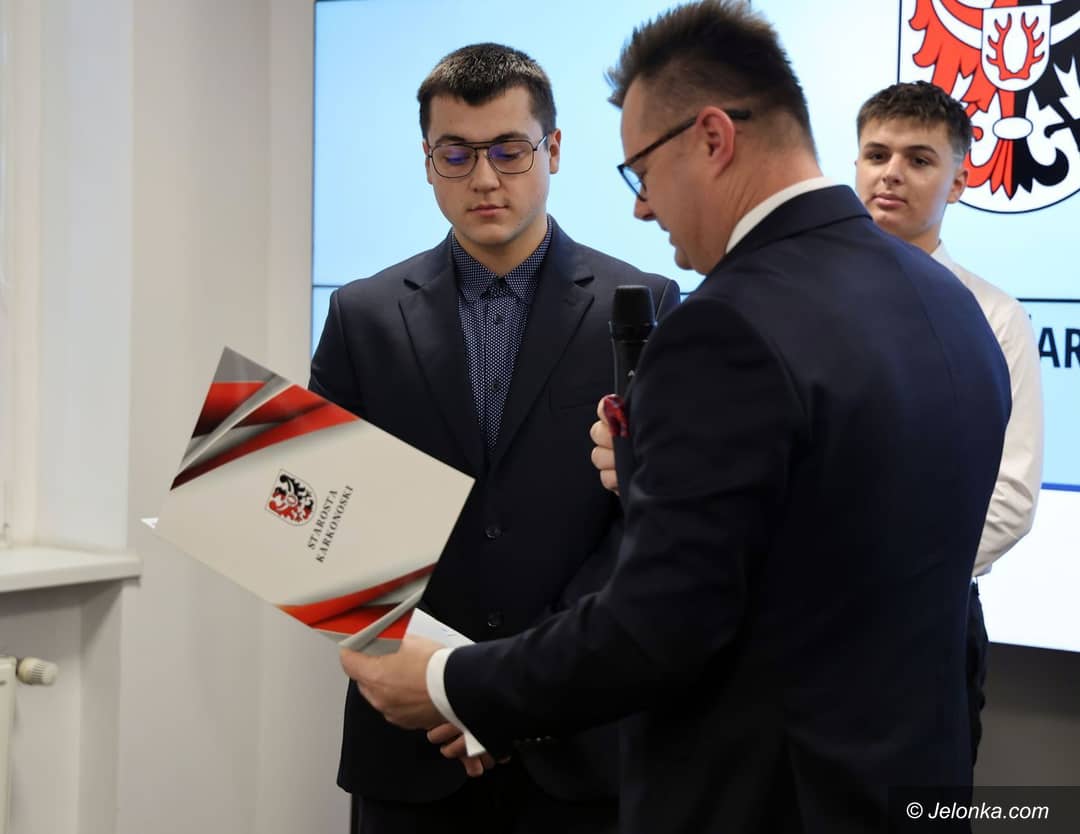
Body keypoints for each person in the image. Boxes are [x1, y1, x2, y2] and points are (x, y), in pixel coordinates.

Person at [339, 3, 1011, 831]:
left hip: (769, 794)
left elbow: (665, 619)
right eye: (456, 153)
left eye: (642, 174)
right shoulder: (947, 299)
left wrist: (451, 683)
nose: (643, 210)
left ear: (712, 139)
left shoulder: (726, 323)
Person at [309, 42, 678, 834]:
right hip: (413, 740)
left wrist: (508, 686)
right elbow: (325, 522)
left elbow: (651, 522)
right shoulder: (363, 316)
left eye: (509, 150)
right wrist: (434, 681)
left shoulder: (642, 304)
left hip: (581, 732)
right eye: (457, 154)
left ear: (553, 149)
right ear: (427, 161)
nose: (484, 178)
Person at [853, 80, 1044, 764]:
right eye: (876, 155)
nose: (891, 173)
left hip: (927, 626)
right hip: (793, 628)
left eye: (919, 159)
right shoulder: (796, 300)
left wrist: (877, 579)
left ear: (958, 183)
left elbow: (1011, 496)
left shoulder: (994, 318)